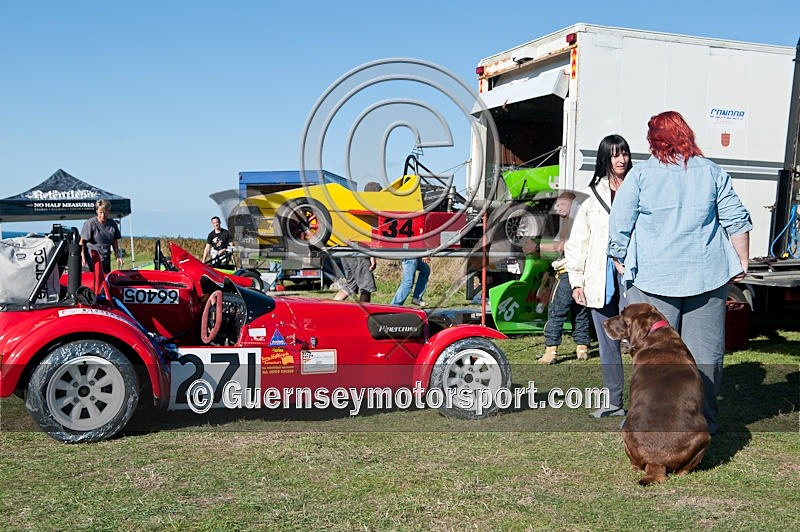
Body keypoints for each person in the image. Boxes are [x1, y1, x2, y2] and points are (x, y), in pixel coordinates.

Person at [607, 111, 752, 434]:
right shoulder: (712, 172)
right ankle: (705, 425)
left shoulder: (641, 176)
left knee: (653, 359)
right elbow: (736, 219)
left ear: (653, 142)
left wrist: (618, 256)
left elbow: (620, 223)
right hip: (706, 278)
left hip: (653, 280)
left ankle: (650, 423)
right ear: (688, 135)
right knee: (706, 358)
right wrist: (742, 260)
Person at [565, 134, 633, 417]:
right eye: (615, 154)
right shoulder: (592, 196)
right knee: (608, 343)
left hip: (633, 275)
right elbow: (578, 240)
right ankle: (614, 402)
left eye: (625, 153)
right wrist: (576, 280)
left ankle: (648, 403)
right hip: (600, 277)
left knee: (641, 342)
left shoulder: (639, 187)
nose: (621, 159)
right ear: (605, 158)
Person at [538, 191, 592, 364]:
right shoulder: (576, 222)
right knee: (580, 311)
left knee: (556, 311)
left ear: (571, 204)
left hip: (567, 273)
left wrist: (539, 246)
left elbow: (559, 247)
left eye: (562, 204)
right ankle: (582, 348)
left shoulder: (571, 224)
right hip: (582, 273)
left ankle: (551, 351)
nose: (557, 207)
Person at [80, 199, 123, 273]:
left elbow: (114, 240)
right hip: (90, 263)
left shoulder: (112, 224)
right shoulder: (90, 223)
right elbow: (81, 242)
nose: (103, 215)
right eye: (100, 212)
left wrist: (118, 255)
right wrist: (82, 257)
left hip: (105, 262)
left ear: (108, 212)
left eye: (105, 213)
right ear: (96, 211)